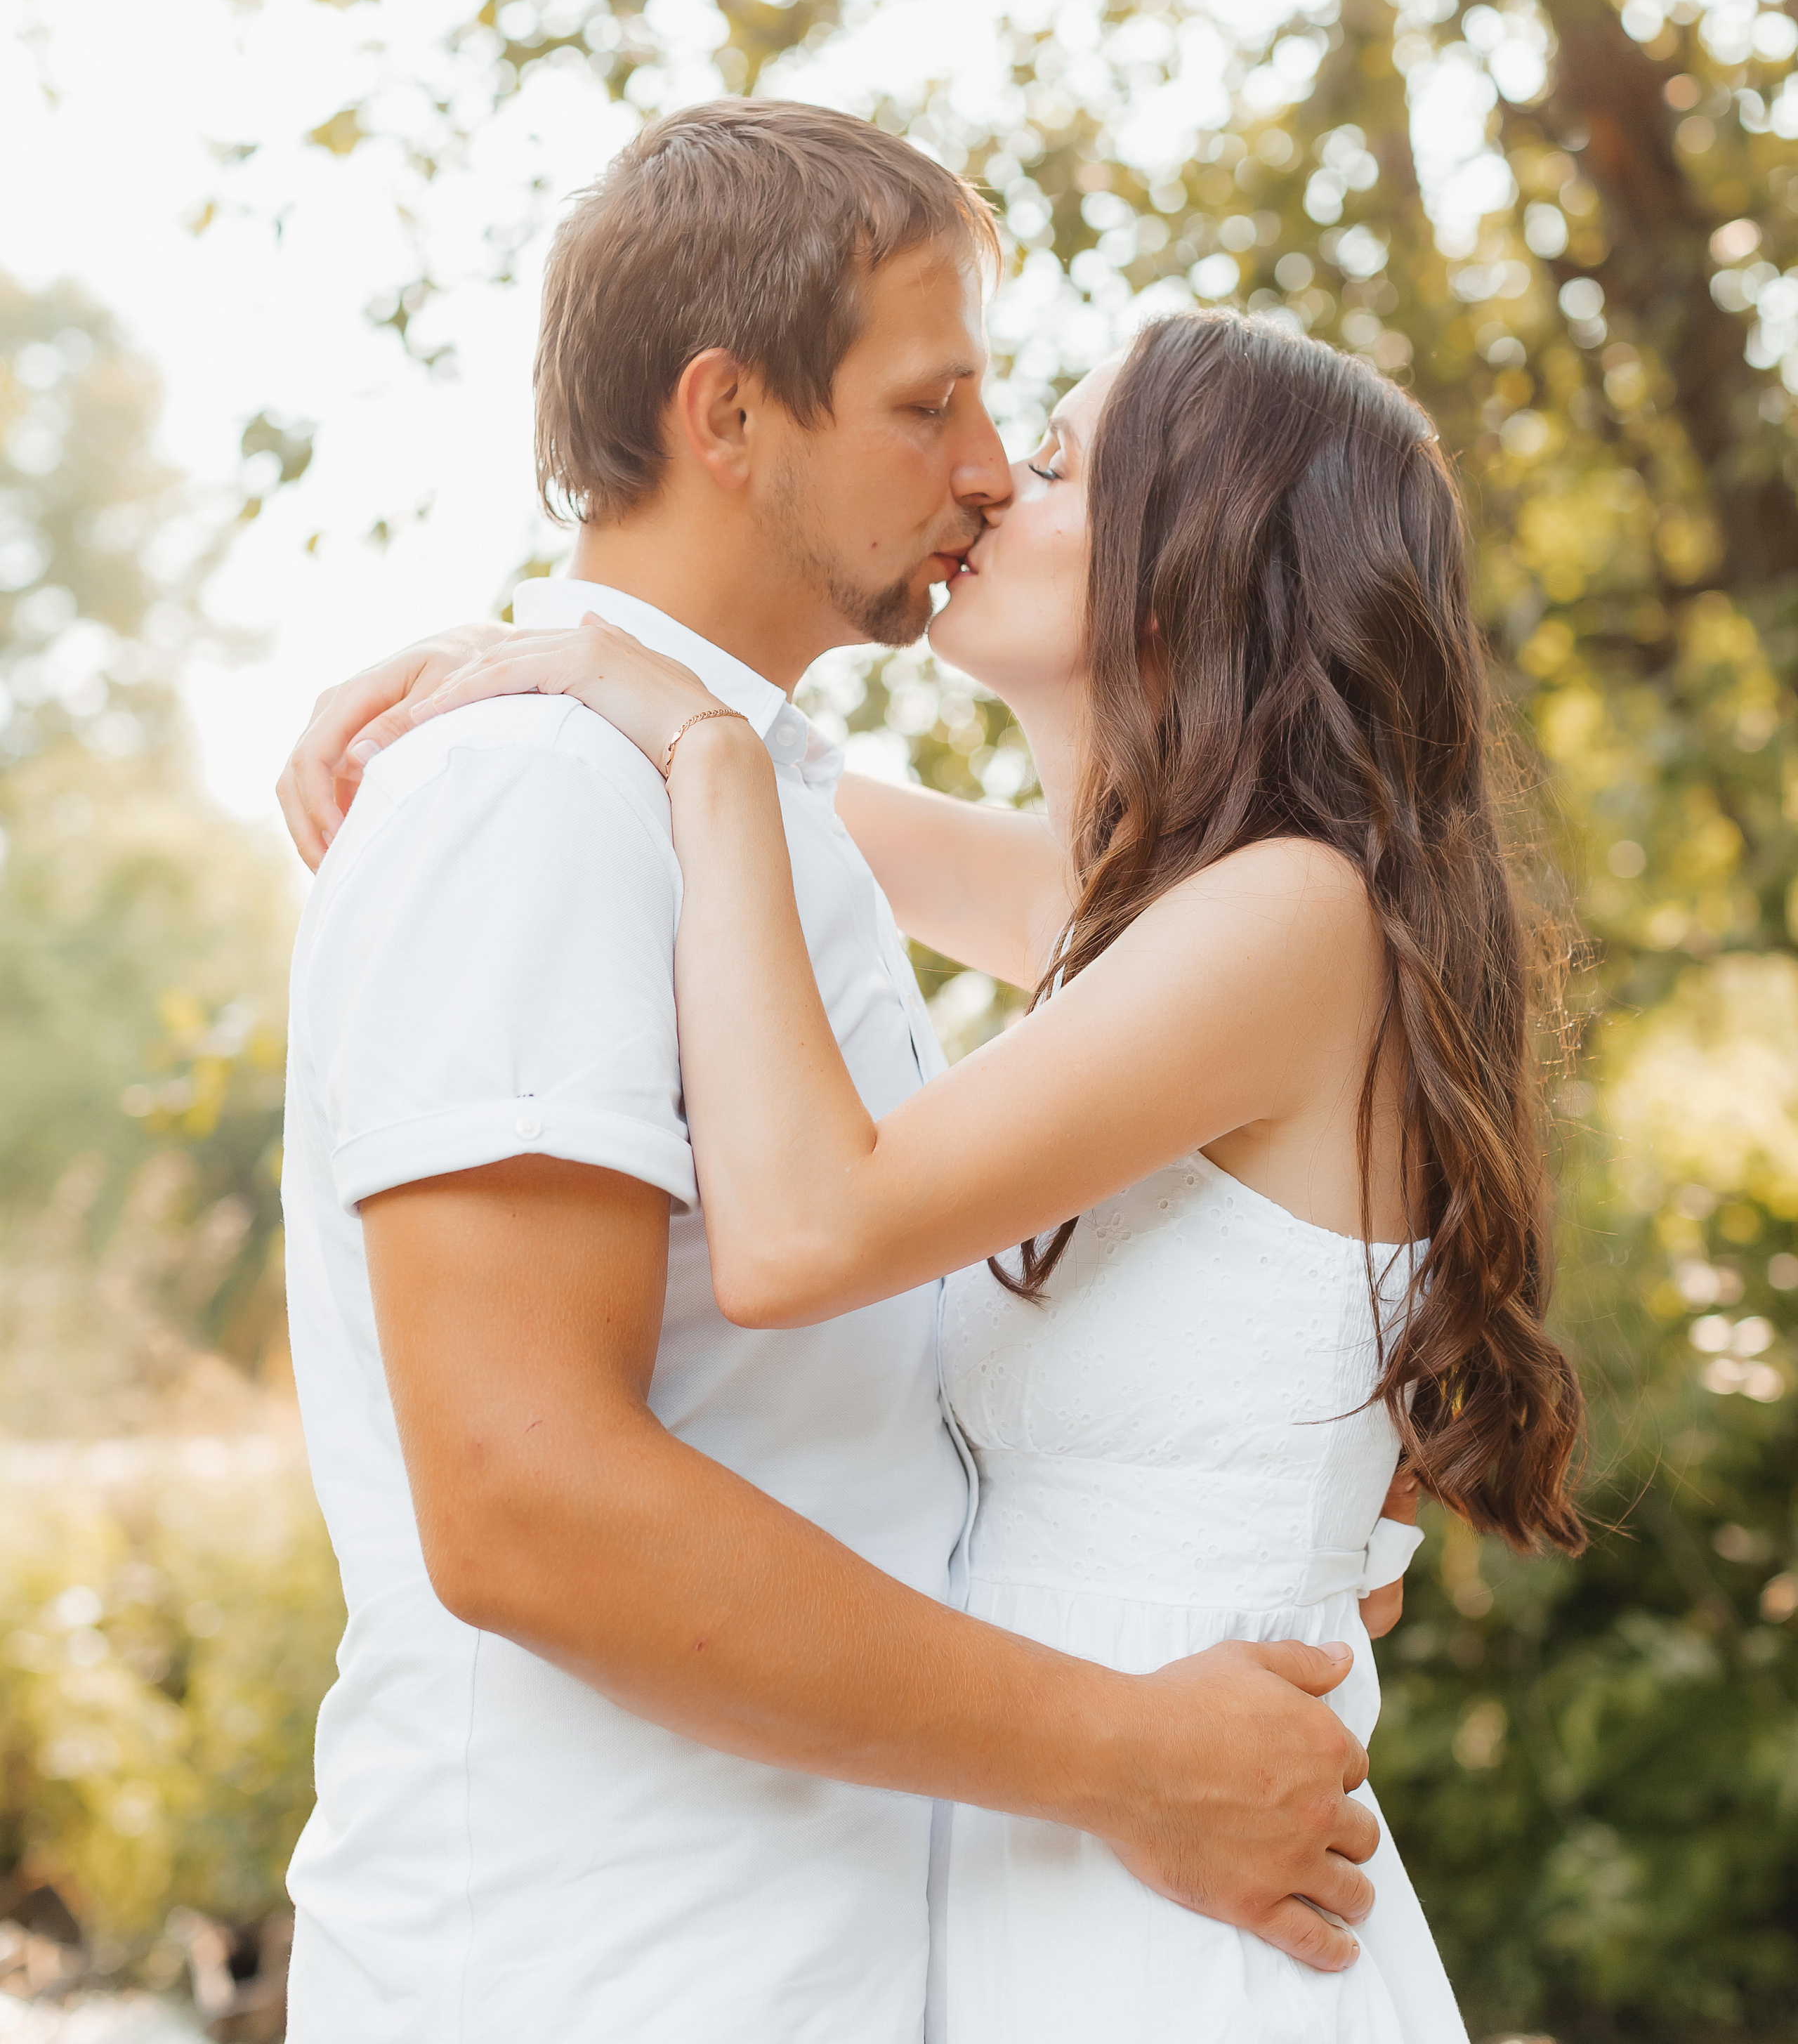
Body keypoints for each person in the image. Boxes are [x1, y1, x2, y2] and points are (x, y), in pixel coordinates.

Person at [321, 305, 1587, 2042]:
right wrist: (520, 670)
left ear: (1185, 567)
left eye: (1060, 460)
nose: (986, 484)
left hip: (1182, 1902)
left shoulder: (1285, 921)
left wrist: (691, 748)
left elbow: (801, 1229)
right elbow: (814, 795)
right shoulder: (1130, 933)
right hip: (1048, 1865)